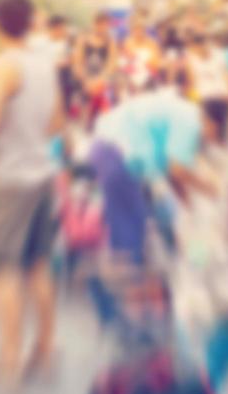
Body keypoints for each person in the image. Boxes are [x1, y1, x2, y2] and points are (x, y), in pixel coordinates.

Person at [0, 0, 64, 394]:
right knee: (38, 266)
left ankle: (9, 365)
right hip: (41, 173)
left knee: (1, 270)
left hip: (9, 180)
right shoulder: (44, 66)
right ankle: (42, 352)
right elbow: (57, 123)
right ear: (29, 23)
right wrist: (29, 138)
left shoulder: (1, 66)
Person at [90, 80, 215, 269]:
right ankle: (117, 282)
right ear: (212, 123)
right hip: (118, 152)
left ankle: (186, 267)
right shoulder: (191, 122)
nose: (214, 144)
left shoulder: (186, 114)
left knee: (138, 225)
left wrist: (187, 205)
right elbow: (177, 170)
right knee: (133, 230)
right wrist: (210, 190)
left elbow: (174, 174)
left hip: (109, 148)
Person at [186, 32, 228, 145]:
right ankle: (214, 145)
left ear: (204, 44)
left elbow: (227, 74)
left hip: (222, 96)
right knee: (210, 129)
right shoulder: (192, 60)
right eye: (194, 48)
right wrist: (193, 101)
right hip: (205, 98)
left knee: (224, 131)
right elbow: (192, 82)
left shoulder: (219, 55)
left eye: (198, 47)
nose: (197, 51)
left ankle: (222, 145)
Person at [72, 10, 118, 127]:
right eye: (99, 23)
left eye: (105, 24)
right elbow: (78, 63)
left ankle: (106, 123)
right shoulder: (83, 39)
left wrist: (100, 81)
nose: (102, 27)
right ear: (94, 23)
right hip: (86, 78)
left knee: (108, 92)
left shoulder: (110, 42)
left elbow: (111, 65)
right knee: (82, 94)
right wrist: (86, 81)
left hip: (103, 79)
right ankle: (83, 122)